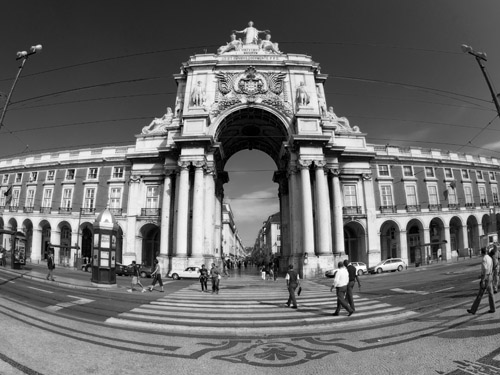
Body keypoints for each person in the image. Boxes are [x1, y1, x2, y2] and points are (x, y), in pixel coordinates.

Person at [467, 247, 496, 314]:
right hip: (490, 276)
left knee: (480, 294)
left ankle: (473, 310)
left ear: (482, 252)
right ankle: (493, 308)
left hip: (485, 278)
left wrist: (483, 279)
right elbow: (491, 268)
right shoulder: (489, 258)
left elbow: (485, 269)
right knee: (491, 293)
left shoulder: (484, 259)